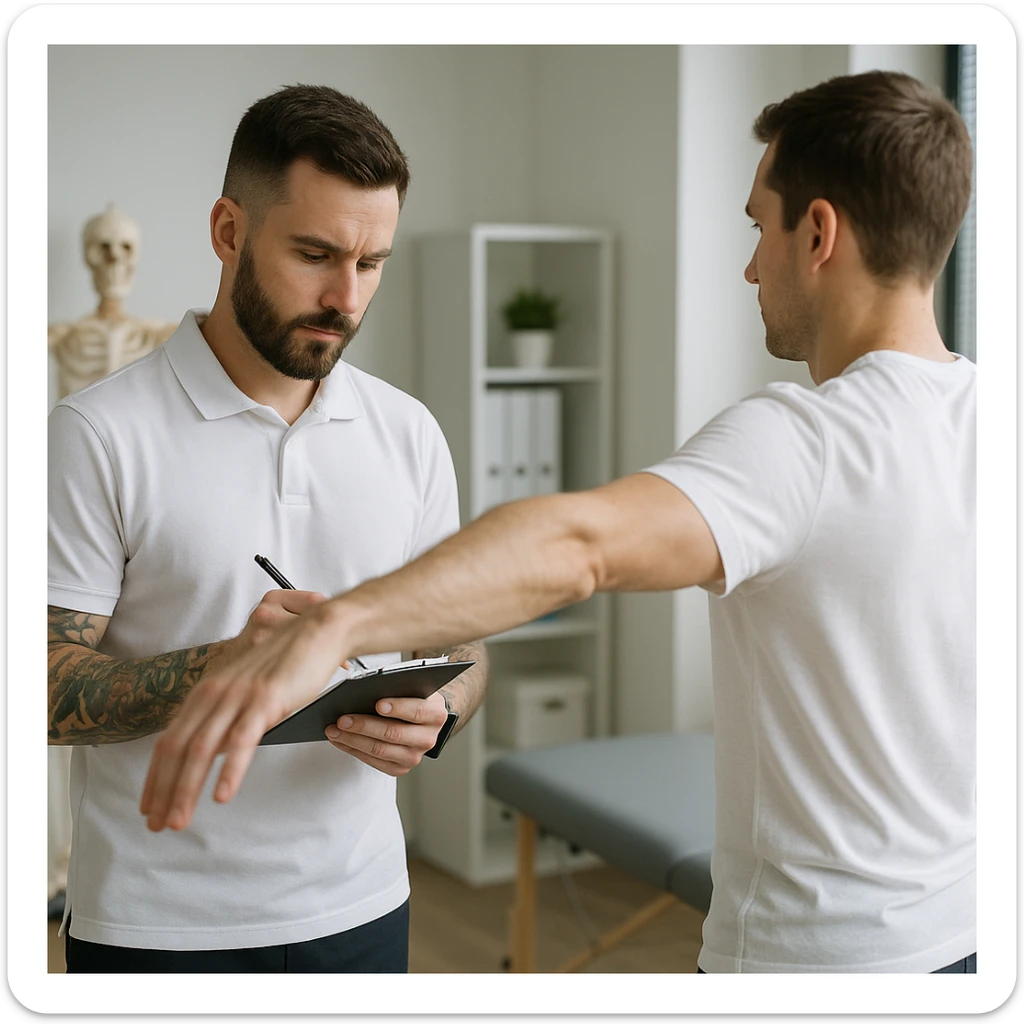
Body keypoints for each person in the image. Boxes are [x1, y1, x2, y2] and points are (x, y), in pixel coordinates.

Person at [140, 69, 977, 974]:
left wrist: (339, 625)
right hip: (965, 941)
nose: (747, 264)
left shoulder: (804, 441)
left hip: (820, 965)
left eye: (756, 226)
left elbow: (576, 548)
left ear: (817, 234)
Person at [47, 83, 489, 974]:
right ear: (228, 231)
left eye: (371, 263)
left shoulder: (410, 434)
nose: (345, 297)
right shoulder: (96, 433)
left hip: (367, 907)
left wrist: (439, 713)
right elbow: (42, 688)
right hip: (156, 928)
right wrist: (227, 669)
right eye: (317, 254)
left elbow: (467, 643)